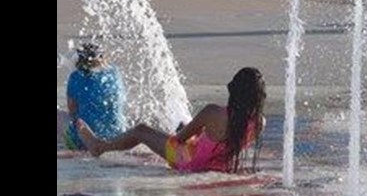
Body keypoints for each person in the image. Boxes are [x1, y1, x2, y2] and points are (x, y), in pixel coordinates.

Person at [77, 66, 267, 174]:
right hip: (220, 167)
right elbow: (225, 143)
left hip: (189, 162)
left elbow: (179, 139)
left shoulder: (212, 112)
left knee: (141, 130)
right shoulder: (260, 123)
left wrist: (186, 130)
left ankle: (99, 147)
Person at [59, 42, 127, 151]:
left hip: (84, 140)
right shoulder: (114, 72)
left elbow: (72, 111)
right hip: (117, 137)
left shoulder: (75, 77)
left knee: (59, 116)